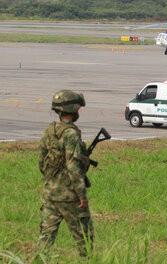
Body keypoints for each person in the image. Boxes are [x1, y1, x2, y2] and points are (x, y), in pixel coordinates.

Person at [38, 90, 93, 257]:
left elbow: (41, 162)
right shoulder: (71, 134)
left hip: (50, 193)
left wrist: (52, 181)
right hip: (70, 197)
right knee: (84, 238)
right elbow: (73, 167)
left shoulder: (50, 130)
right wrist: (81, 195)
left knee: (45, 238)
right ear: (73, 109)